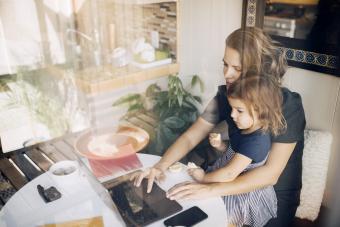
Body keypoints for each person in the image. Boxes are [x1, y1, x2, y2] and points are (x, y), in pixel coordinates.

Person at [131, 27, 306, 227]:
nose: (227, 74)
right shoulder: (228, 95)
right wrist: (159, 166)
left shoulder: (288, 105)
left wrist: (209, 188)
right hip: (230, 181)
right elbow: (191, 136)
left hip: (270, 198)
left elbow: (270, 174)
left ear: (259, 68)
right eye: (225, 64)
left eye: (237, 68)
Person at [188, 75, 286, 227]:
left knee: (225, 220)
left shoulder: (256, 142)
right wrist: (220, 145)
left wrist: (203, 177)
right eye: (232, 108)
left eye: (239, 110)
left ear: (261, 111)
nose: (232, 115)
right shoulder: (240, 127)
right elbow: (233, 152)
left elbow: (230, 173)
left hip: (240, 190)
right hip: (227, 175)